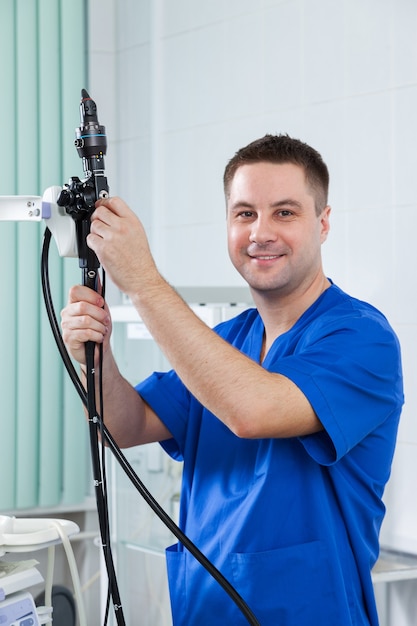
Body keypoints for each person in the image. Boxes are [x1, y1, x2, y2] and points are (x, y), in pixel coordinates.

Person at [61, 134, 404, 625]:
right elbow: (124, 425)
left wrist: (142, 281)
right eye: (244, 213)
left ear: (323, 223)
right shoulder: (226, 340)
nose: (260, 232)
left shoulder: (361, 339)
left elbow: (252, 410)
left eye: (285, 212)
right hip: (205, 611)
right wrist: (95, 357)